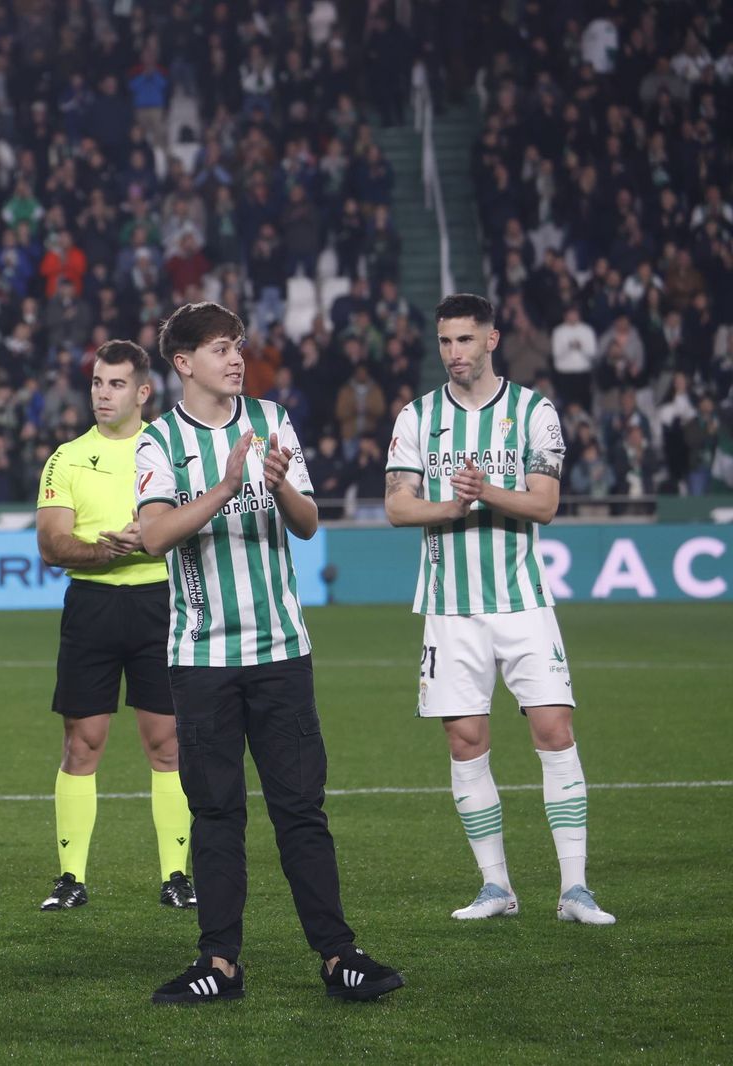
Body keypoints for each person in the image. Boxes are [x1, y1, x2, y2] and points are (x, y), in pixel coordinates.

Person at [135, 302, 402, 1004]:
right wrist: (225, 487)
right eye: (221, 348)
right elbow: (156, 535)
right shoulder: (159, 441)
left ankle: (339, 955)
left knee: (301, 808)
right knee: (217, 812)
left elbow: (309, 525)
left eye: (238, 346)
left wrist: (280, 486)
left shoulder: (273, 421)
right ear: (184, 362)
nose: (235, 358)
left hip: (282, 649)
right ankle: (219, 964)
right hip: (201, 658)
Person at [384, 293, 613, 926]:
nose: (453, 353)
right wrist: (453, 507)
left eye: (464, 340)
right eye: (444, 342)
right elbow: (399, 507)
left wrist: (484, 491)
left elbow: (543, 504)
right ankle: (496, 887)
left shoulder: (534, 411)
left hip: (521, 601)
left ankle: (575, 889)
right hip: (449, 607)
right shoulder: (417, 417)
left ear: (492, 340)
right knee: (465, 740)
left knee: (554, 729)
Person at [34, 339, 194, 912]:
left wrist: (149, 537)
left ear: (143, 392)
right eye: (98, 383)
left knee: (167, 743)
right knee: (83, 741)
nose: (103, 393)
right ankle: (70, 878)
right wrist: (110, 552)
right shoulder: (67, 457)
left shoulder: (172, 448)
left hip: (162, 603)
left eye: (116, 384)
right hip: (92, 607)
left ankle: (177, 876)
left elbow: (194, 522)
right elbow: (52, 543)